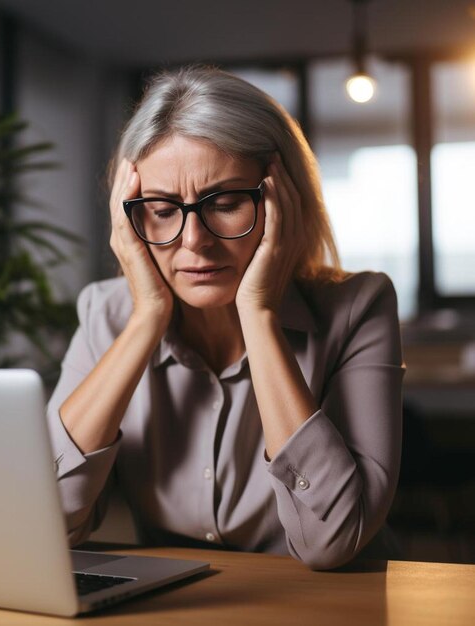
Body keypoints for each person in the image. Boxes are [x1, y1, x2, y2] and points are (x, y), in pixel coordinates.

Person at [46, 65, 404, 570]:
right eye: (163, 209)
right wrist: (147, 317)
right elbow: (47, 522)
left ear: (285, 199)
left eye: (227, 202)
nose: (195, 241)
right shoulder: (104, 314)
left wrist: (259, 315)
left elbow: (334, 541)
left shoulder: (360, 307)